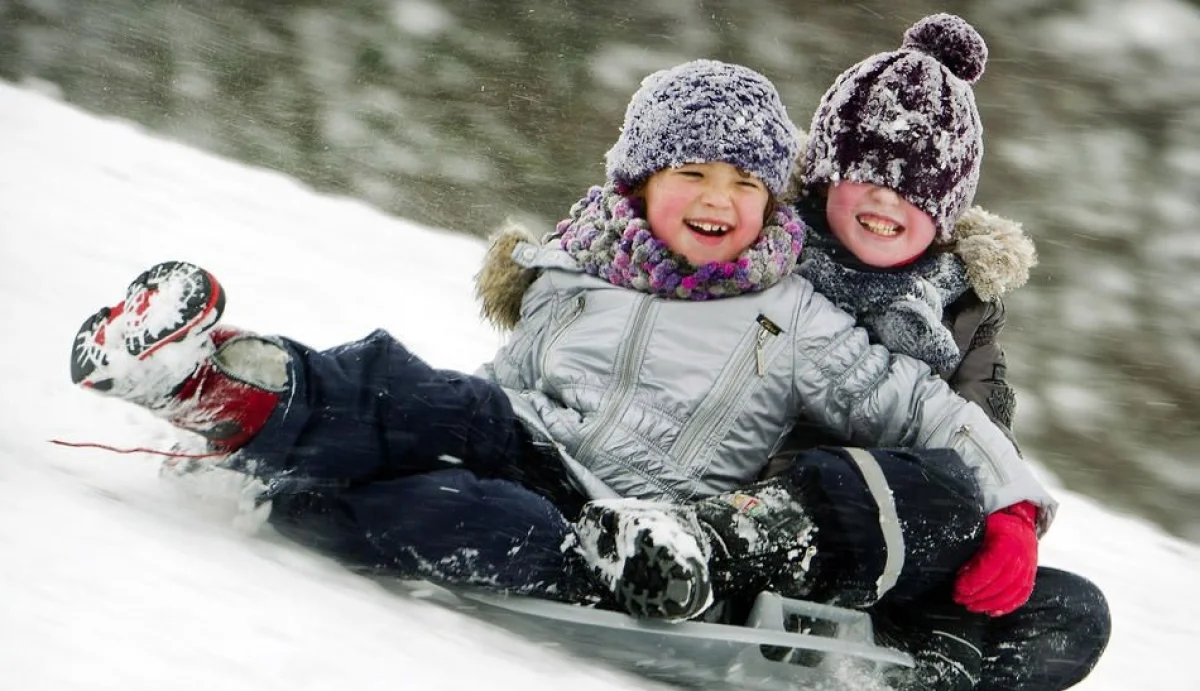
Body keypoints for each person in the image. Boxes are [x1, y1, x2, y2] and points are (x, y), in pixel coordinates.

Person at [72, 57, 1049, 680]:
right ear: (638, 182)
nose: (718, 199)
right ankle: (218, 384)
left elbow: (929, 407)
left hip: (628, 516)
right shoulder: (573, 266)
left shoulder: (796, 311)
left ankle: (301, 498)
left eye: (745, 183)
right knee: (409, 386)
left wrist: (1012, 504)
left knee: (488, 522)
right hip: (523, 428)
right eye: (692, 174)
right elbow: (499, 378)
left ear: (775, 203)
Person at [758, 13, 1110, 690]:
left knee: (1074, 612)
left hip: (914, 534)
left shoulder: (963, 306)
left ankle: (901, 652)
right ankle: (857, 630)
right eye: (868, 172)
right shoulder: (773, 254)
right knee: (925, 493)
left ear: (947, 208)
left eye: (919, 186)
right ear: (828, 174)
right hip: (782, 503)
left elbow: (981, 429)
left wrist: (1011, 526)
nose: (889, 196)